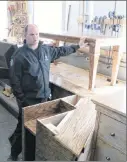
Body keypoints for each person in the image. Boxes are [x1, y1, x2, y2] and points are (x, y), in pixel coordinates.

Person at [8, 24, 88, 161]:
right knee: (22, 128)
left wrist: (77, 46)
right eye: (32, 34)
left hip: (44, 98)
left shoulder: (45, 50)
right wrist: (23, 101)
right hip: (29, 101)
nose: (35, 37)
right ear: (25, 36)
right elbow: (15, 81)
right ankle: (14, 153)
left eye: (37, 34)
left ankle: (33, 154)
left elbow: (61, 51)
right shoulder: (19, 56)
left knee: (39, 128)